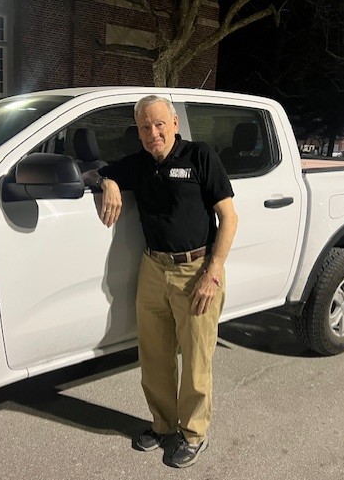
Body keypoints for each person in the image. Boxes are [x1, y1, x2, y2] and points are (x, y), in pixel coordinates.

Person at [82, 95, 238, 468]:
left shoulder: (200, 157)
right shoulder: (137, 165)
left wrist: (212, 272)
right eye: (144, 127)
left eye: (159, 124)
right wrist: (109, 182)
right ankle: (164, 425)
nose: (153, 132)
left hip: (196, 270)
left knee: (197, 359)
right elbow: (92, 172)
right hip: (152, 269)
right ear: (138, 132)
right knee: (154, 356)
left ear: (174, 124)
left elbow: (229, 218)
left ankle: (194, 432)